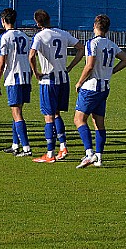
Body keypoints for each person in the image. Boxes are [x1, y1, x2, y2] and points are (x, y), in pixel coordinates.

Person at [74, 14, 126, 168]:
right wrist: (111, 71)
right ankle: (99, 157)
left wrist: (79, 82)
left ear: (95, 26)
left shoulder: (92, 43)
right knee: (98, 122)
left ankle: (89, 154)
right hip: (104, 87)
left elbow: (90, 65)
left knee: (79, 119)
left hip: (91, 87)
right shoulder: (111, 44)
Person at [29, 9, 84, 163]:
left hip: (48, 80)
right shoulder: (62, 33)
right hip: (63, 79)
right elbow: (81, 49)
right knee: (57, 114)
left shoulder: (39, 36)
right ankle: (63, 147)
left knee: (48, 117)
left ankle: (50, 153)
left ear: (37, 23)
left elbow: (31, 55)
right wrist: (71, 66)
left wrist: (35, 72)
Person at [0, 8, 32, 157]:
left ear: (3, 21)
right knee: (16, 112)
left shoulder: (4, 37)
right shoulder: (25, 36)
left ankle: (26, 148)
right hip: (25, 76)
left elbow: (1, 61)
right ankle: (15, 144)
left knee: (16, 113)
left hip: (13, 78)